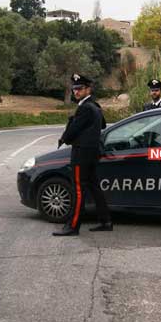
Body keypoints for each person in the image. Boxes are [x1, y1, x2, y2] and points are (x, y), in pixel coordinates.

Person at [54, 73, 111, 236]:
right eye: (74, 89)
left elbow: (72, 132)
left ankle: (73, 226)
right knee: (94, 187)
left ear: (88, 89)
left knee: (78, 190)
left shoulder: (85, 107)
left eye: (79, 89)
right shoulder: (95, 106)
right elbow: (103, 124)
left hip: (82, 154)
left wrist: (65, 136)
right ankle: (105, 221)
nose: (76, 92)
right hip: (92, 153)